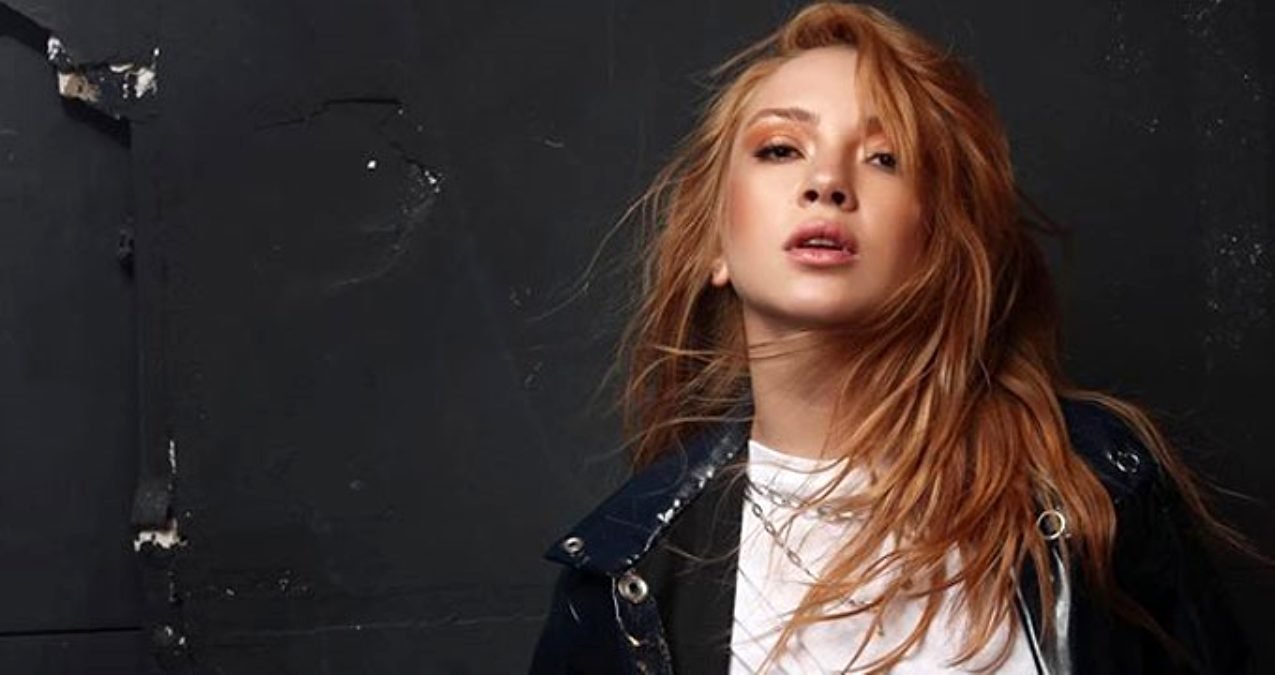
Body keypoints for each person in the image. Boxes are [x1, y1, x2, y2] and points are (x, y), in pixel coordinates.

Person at [529, 2, 1250, 673]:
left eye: (885, 158)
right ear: (715, 243)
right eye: (780, 148)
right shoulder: (625, 571)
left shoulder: (1094, 486)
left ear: (938, 245)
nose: (827, 181)